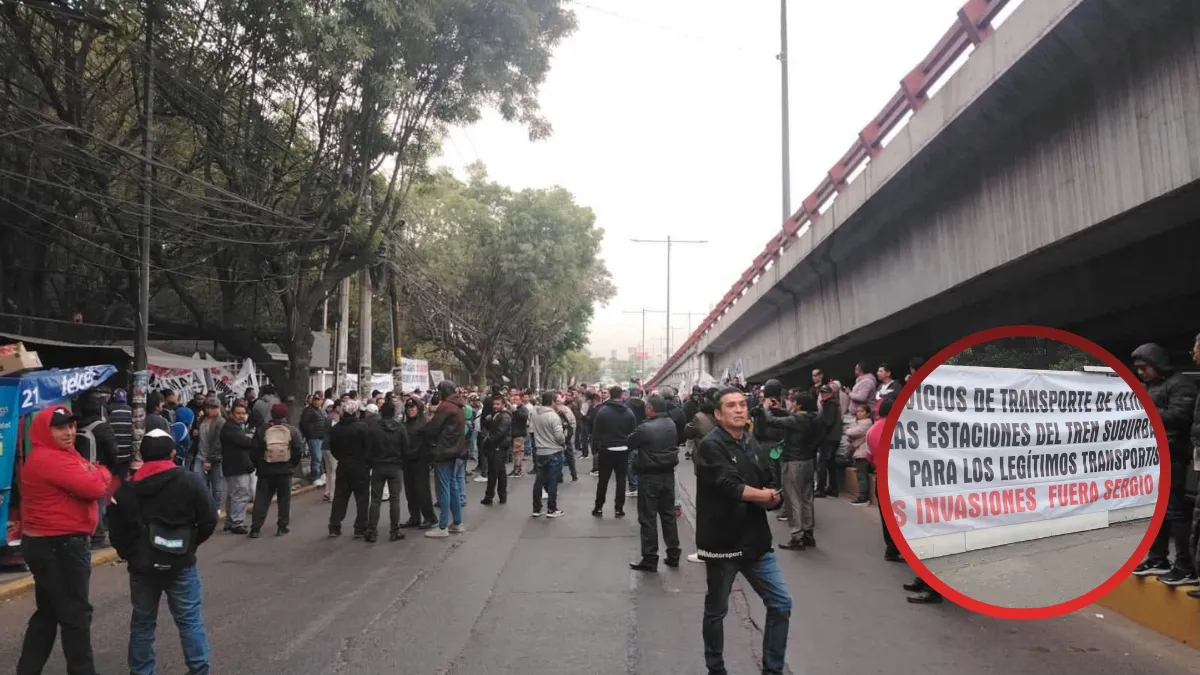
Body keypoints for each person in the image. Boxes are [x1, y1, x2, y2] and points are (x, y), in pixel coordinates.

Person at [694, 387, 791, 675]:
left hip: (756, 541)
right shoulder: (710, 446)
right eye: (731, 406)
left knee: (781, 603)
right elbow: (730, 486)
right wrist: (767, 496)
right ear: (718, 414)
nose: (739, 410)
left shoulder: (750, 440)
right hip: (722, 543)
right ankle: (716, 668)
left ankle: (773, 669)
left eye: (742, 404)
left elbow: (767, 478)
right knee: (716, 611)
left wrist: (775, 497)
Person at [106, 428, 218, 675]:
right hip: (181, 563)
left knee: (143, 623)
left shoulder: (126, 491)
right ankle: (199, 669)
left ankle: (141, 670)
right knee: (189, 620)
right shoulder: (190, 481)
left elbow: (116, 532)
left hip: (142, 567)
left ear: (141, 455)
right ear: (173, 453)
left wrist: (132, 554)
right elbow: (209, 518)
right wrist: (189, 545)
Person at [16, 405, 113, 675]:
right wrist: (99, 473)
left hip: (53, 544)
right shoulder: (50, 459)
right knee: (75, 615)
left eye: (70, 426)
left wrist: (97, 472)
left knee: (48, 613)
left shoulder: (61, 455)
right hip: (60, 545)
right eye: (60, 428)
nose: (69, 432)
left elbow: (96, 473)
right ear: (44, 431)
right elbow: (95, 486)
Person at [1130, 343, 1198, 585]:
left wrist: (1144, 410)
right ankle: (1158, 558)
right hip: (1154, 457)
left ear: (1157, 364)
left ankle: (1185, 565)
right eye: (1138, 369)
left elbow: (1180, 417)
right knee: (1158, 510)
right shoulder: (1151, 386)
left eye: (1144, 368)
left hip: (1174, 456)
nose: (1141, 373)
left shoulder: (1181, 385)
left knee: (1176, 512)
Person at [761, 392, 822, 551]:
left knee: (792, 498)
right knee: (807, 498)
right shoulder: (814, 418)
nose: (792, 405)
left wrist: (766, 408)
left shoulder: (797, 420)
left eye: (794, 402)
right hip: (808, 461)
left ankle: (797, 536)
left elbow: (772, 421)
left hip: (793, 462)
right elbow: (791, 418)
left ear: (799, 405)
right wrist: (781, 409)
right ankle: (808, 534)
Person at [628, 393, 682, 570]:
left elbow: (630, 442)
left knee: (648, 518)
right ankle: (673, 553)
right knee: (668, 515)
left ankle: (650, 558)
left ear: (650, 408)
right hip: (667, 474)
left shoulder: (645, 428)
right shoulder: (670, 423)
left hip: (649, 476)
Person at [249, 404, 303, 538]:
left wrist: (259, 465)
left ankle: (255, 528)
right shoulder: (291, 430)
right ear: (285, 415)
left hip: (265, 471)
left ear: (272, 414)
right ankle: (282, 527)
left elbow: (254, 450)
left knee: (261, 499)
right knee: (284, 499)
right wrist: (291, 465)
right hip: (285, 471)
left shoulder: (262, 429)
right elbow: (298, 450)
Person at [423, 380, 469, 537]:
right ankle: (457, 522)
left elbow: (433, 428)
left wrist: (423, 431)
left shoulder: (446, 406)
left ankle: (443, 526)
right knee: (453, 485)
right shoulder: (459, 406)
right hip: (456, 450)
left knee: (443, 488)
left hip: (444, 451)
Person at [592, 385, 637, 518]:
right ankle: (619, 508)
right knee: (621, 480)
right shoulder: (628, 412)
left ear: (610, 395)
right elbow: (633, 432)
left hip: (606, 449)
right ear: (621, 395)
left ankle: (598, 507)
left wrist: (596, 448)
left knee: (603, 480)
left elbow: (596, 431)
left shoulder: (603, 411)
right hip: (623, 449)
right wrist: (630, 447)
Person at [366, 401, 409, 541]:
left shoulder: (374, 428)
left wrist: (371, 462)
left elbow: (368, 448)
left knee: (375, 500)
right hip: (395, 466)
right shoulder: (400, 428)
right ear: (394, 412)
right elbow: (406, 448)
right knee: (395, 500)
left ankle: (372, 531)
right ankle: (394, 531)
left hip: (378, 466)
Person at [328, 399, 371, 537]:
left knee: (340, 497)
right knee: (362, 498)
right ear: (356, 413)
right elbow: (368, 447)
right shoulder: (363, 428)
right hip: (360, 466)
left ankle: (334, 525)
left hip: (343, 465)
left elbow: (333, 448)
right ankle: (360, 527)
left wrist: (341, 458)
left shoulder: (336, 429)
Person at [219, 402, 257, 534]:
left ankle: (230, 521)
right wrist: (251, 438)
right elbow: (245, 442)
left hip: (237, 466)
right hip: (236, 466)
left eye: (243, 413)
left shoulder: (236, 427)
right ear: (232, 414)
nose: (241, 416)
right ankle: (236, 522)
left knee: (233, 494)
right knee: (240, 494)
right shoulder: (230, 428)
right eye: (238, 413)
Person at [530, 391, 568, 518]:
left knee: (539, 480)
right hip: (553, 450)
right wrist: (563, 442)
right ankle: (552, 508)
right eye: (557, 401)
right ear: (552, 402)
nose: (558, 404)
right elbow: (559, 436)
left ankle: (536, 508)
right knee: (552, 480)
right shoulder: (553, 416)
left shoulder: (535, 413)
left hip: (540, 451)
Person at [401, 397, 438, 528]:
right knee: (410, 491)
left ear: (419, 408)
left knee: (422, 490)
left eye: (413, 407)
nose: (410, 410)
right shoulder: (405, 424)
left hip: (420, 461)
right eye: (408, 407)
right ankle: (414, 517)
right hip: (407, 461)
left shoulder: (424, 423)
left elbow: (429, 443)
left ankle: (430, 517)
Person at [480, 394, 511, 506]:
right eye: (494, 404)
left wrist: (489, 440)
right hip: (498, 446)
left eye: (498, 404)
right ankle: (501, 496)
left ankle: (489, 496)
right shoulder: (496, 415)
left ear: (503, 404)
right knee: (500, 472)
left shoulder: (504, 416)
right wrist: (488, 420)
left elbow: (500, 432)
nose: (495, 406)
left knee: (493, 473)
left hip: (498, 447)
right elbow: (492, 428)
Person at [301, 393, 330, 487]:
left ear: (322, 401)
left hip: (320, 437)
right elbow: (304, 423)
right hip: (313, 437)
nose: (316, 401)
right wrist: (309, 433)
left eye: (318, 400)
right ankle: (315, 477)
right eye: (315, 399)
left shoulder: (321, 410)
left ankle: (321, 475)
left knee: (320, 458)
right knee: (316, 457)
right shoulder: (309, 410)